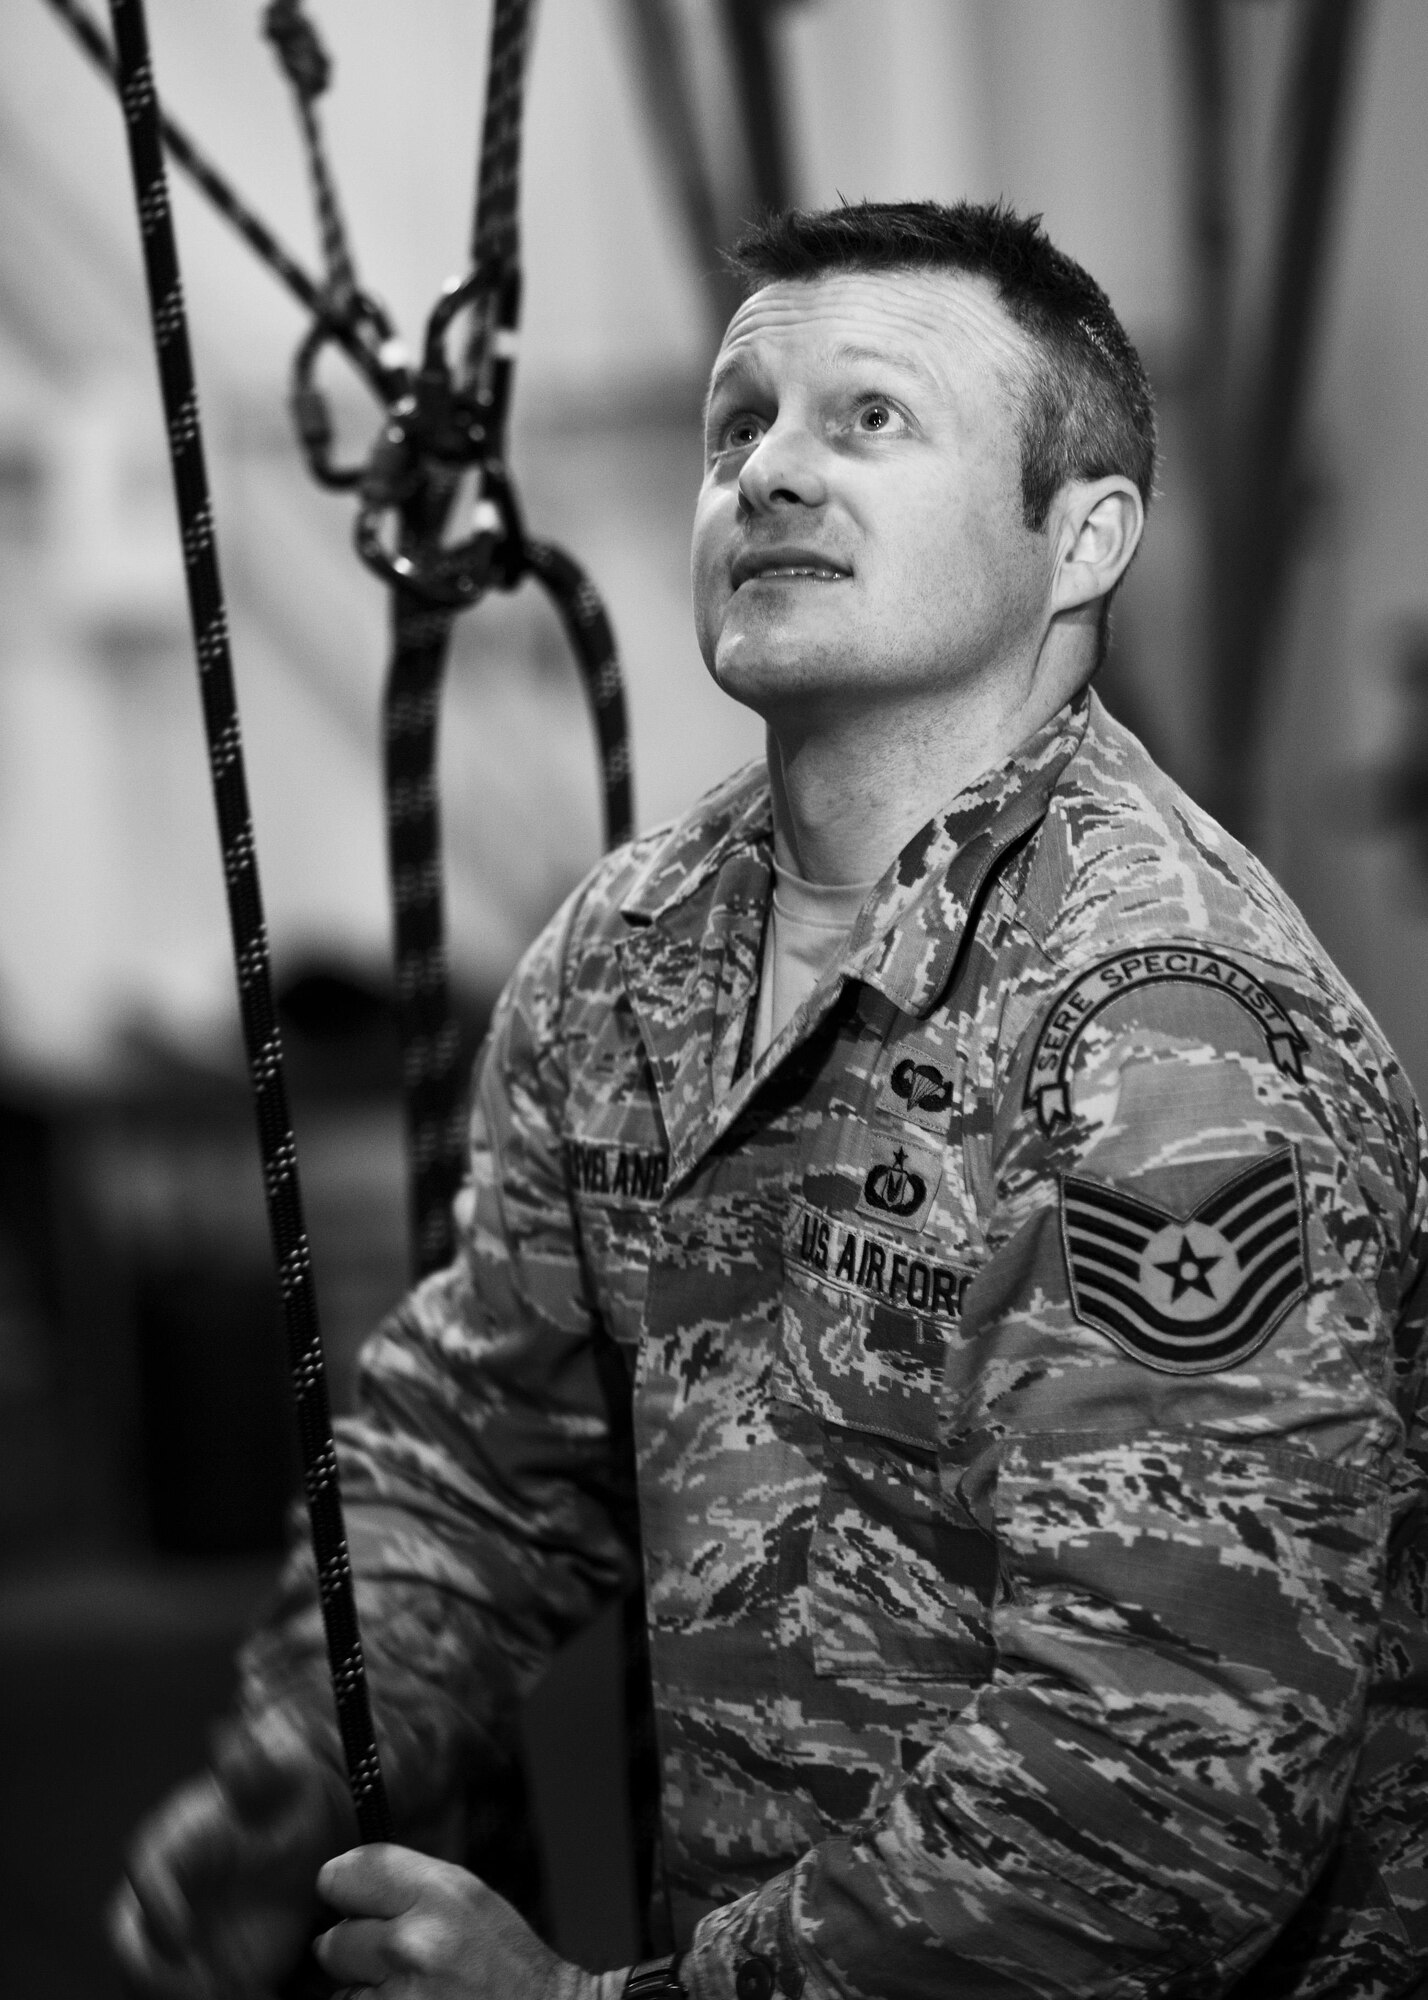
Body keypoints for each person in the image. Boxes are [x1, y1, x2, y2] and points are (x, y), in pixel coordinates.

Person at [111, 199, 1428, 2000]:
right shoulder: (631, 953)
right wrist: (302, 1768)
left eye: (871, 418)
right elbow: (487, 1452)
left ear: (1083, 535)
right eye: (741, 426)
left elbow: (1165, 1788)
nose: (774, 476)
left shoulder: (1165, 1034)